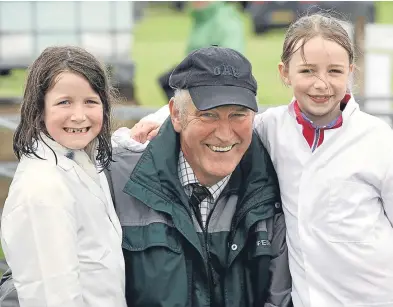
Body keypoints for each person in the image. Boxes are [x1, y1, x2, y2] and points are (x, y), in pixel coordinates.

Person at [122, 13, 393, 307]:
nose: (321, 83)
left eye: (335, 71)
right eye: (308, 71)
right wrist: (155, 119)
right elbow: (213, 110)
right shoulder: (271, 128)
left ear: (351, 71)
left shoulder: (379, 140)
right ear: (284, 73)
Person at [108, 46, 292, 306]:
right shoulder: (117, 182)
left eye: (238, 114)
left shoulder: (276, 182)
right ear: (175, 114)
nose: (225, 133)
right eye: (208, 115)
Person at [0, 46, 126, 307]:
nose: (79, 116)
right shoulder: (43, 191)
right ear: (39, 108)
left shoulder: (79, 158)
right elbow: (52, 297)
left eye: (90, 101)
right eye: (64, 102)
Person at [158, 1, 245, 101]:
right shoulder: (200, 17)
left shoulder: (226, 19)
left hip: (215, 74)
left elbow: (232, 57)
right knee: (168, 81)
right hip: (197, 69)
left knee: (174, 83)